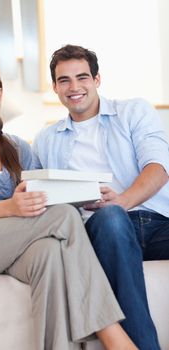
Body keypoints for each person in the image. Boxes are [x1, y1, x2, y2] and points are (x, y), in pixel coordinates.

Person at [0, 56, 138, 350]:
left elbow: (43, 197)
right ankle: (112, 334)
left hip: (6, 244)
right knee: (63, 218)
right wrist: (11, 207)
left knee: (50, 251)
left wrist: (82, 194)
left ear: (0, 94)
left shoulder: (18, 147)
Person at [32, 44, 169, 350]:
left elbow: (159, 168)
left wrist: (124, 199)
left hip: (157, 221)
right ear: (55, 87)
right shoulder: (45, 141)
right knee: (110, 217)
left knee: (115, 211)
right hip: (103, 229)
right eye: (64, 80)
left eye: (82, 77)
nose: (74, 87)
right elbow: (43, 198)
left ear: (97, 79)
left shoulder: (133, 111)